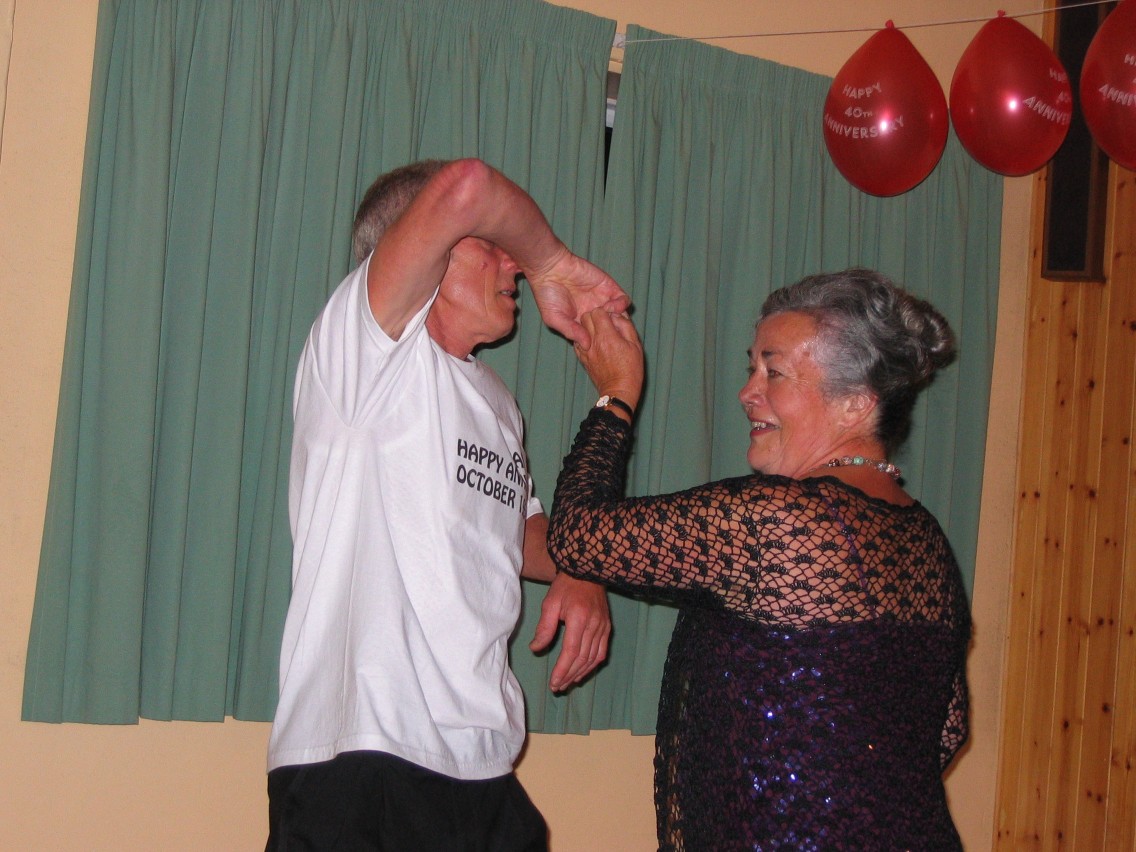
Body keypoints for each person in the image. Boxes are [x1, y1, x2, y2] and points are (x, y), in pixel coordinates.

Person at [266, 158, 627, 851]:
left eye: (514, 253)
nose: (513, 266)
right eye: (491, 246)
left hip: (480, 758)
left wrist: (583, 571)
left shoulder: (497, 401)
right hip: (363, 751)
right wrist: (553, 264)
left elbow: (519, 534)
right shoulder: (368, 353)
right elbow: (466, 188)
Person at [548, 268, 971, 850]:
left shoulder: (781, 517)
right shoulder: (926, 542)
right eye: (751, 369)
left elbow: (576, 534)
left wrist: (616, 392)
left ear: (854, 404)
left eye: (774, 371)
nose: (748, 392)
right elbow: (945, 728)